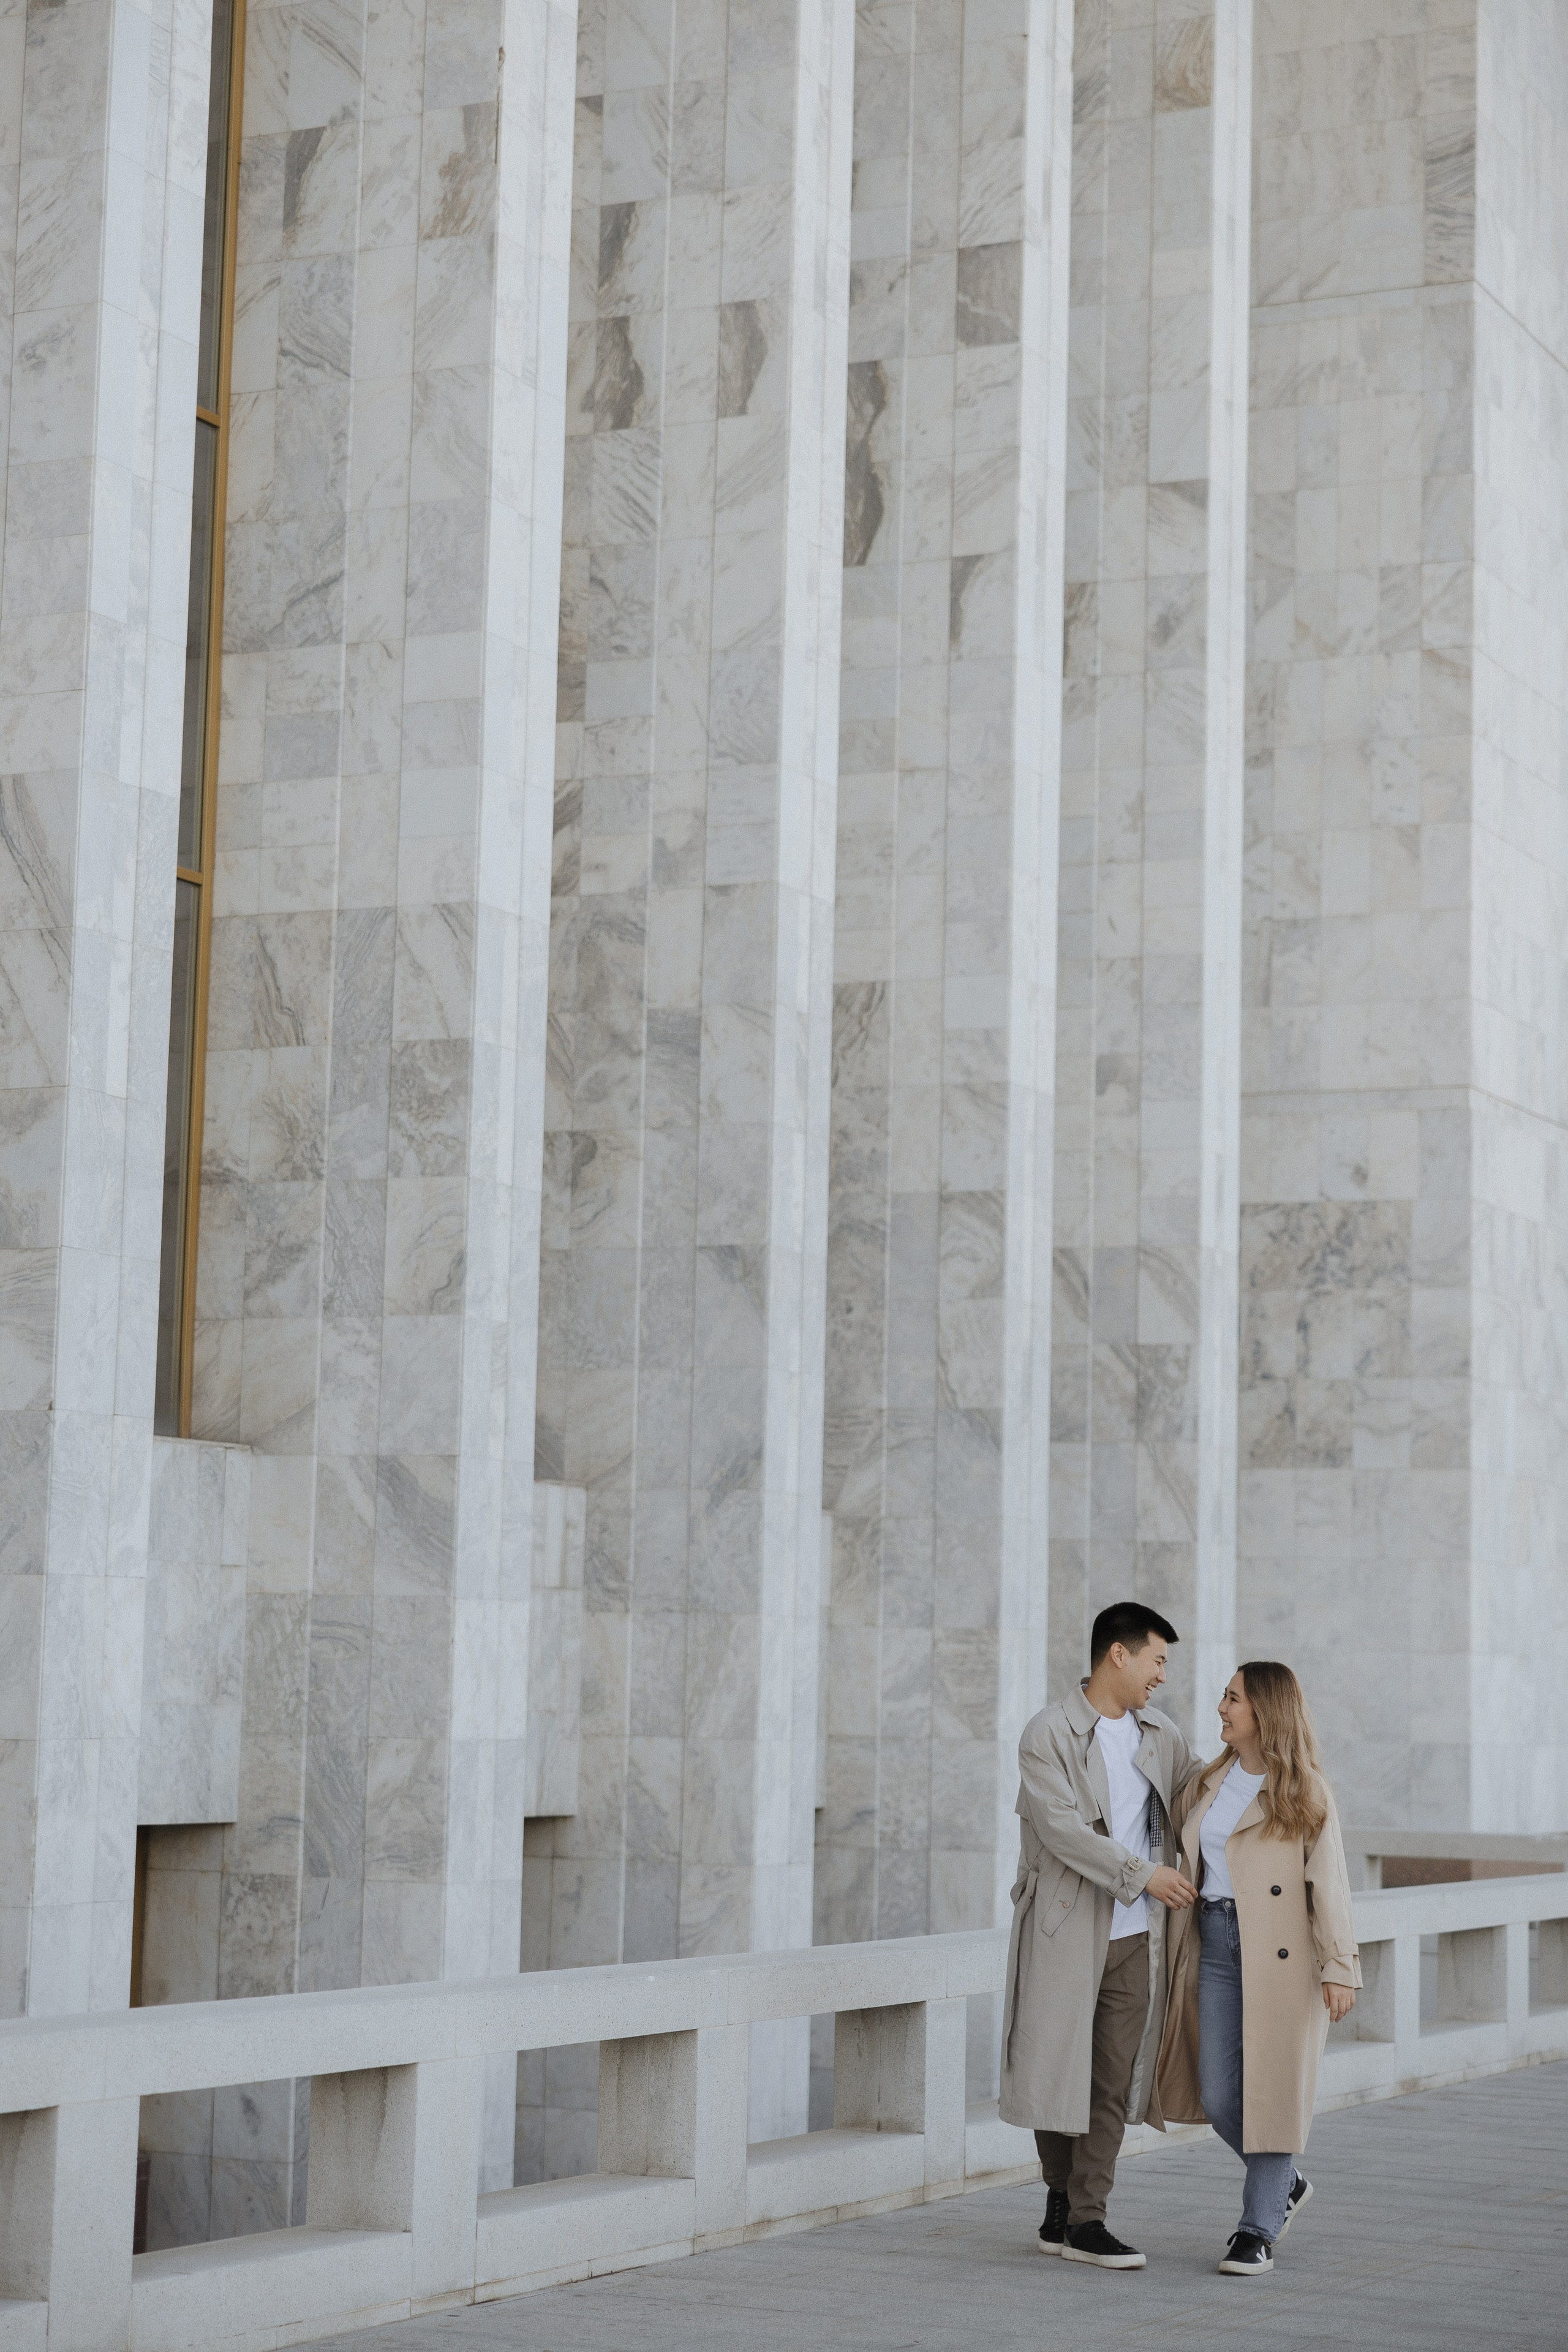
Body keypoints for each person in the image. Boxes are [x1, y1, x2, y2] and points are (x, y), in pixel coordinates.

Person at [1000, 1602, 1204, 2271]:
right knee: (1055, 2065)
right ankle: (1059, 2199)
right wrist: (1143, 1874)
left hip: (1133, 1936)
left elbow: (1198, 1793)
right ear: (1118, 1654)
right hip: (1065, 1925)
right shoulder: (1047, 1734)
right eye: (1157, 1660)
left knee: (1111, 2082)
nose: (1161, 1676)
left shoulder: (1160, 1733)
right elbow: (1060, 1830)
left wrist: (1263, 1750)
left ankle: (1087, 2218)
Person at [1155, 1660, 1361, 2277]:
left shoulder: (1305, 1791)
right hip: (1214, 1944)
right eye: (1224, 1697)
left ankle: (1256, 2229)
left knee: (1272, 2092)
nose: (1221, 1708)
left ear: (1264, 1712)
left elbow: (1329, 1886)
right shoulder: (1206, 1783)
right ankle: (1284, 2182)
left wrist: (1339, 1967)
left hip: (1283, 1956)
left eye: (1233, 1699)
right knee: (1219, 2095)